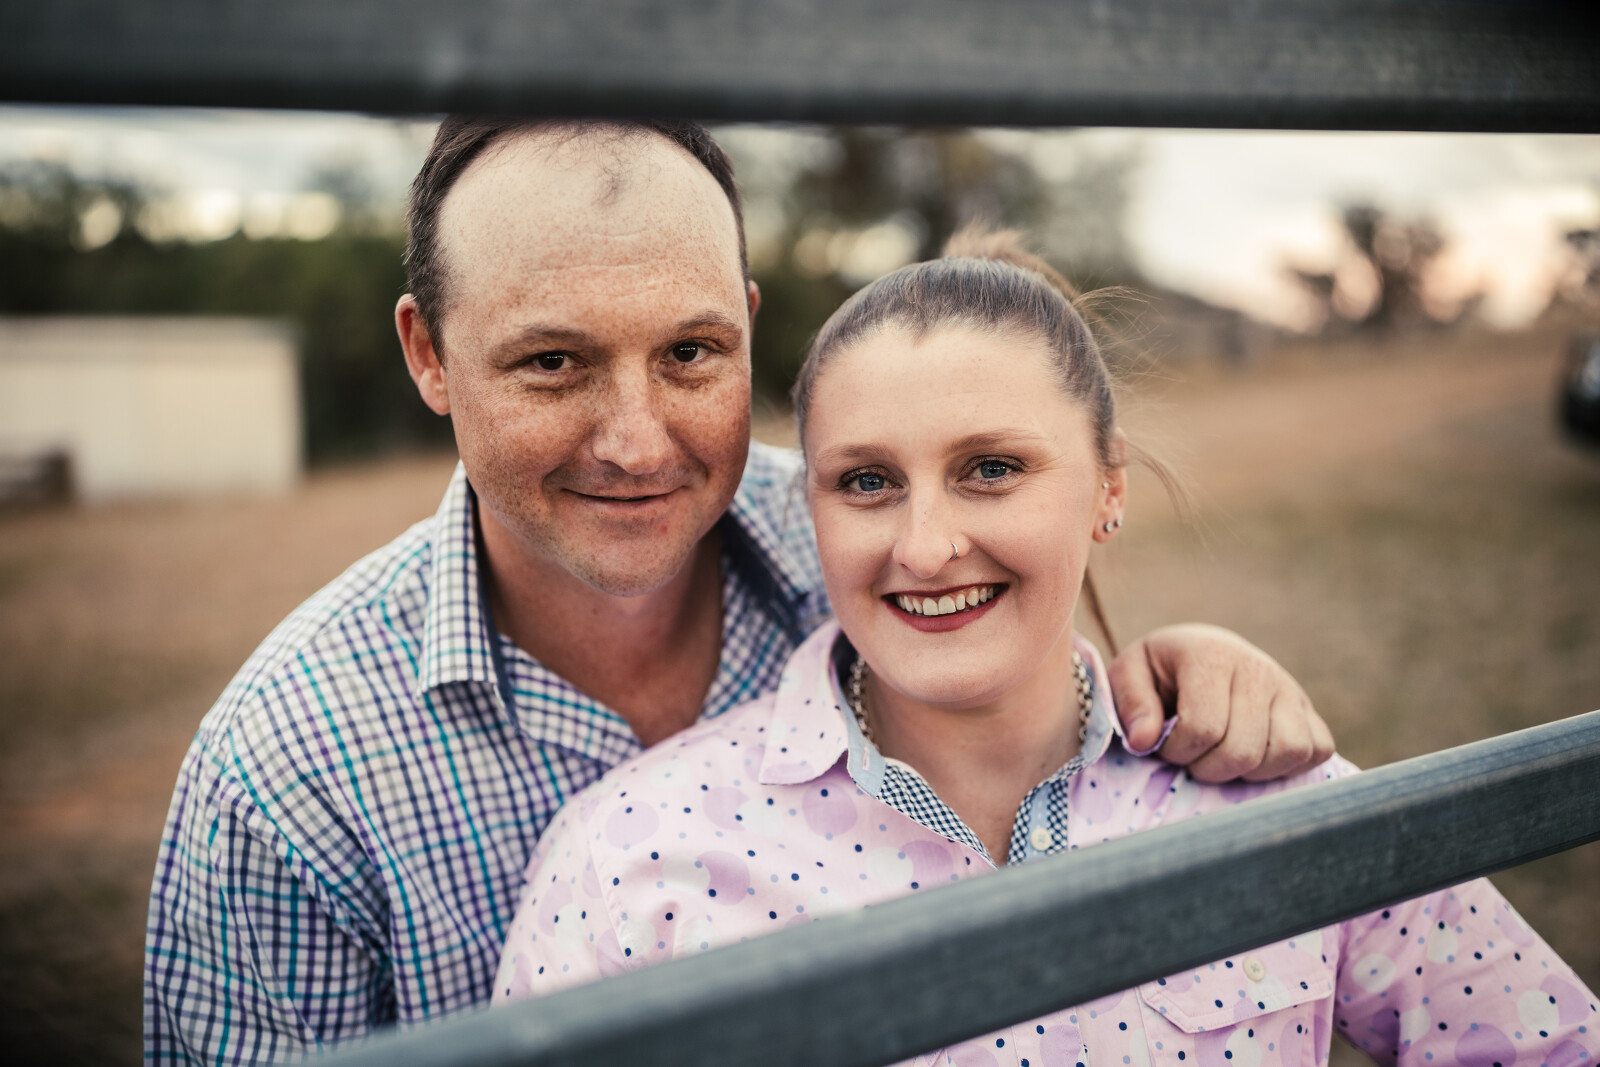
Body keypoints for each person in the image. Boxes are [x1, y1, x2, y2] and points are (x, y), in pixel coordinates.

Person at [144, 119, 1337, 1065]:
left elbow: (1032, 637)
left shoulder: (868, 536)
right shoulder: (284, 773)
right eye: (551, 361)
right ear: (427, 354)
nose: (635, 441)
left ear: (748, 330)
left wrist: (1183, 667)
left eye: (690, 353)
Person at [494, 231, 1598, 1067]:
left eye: (992, 469)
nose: (926, 545)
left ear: (1107, 487)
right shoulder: (636, 858)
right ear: (810, 506)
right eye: (867, 481)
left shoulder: (1274, 802)